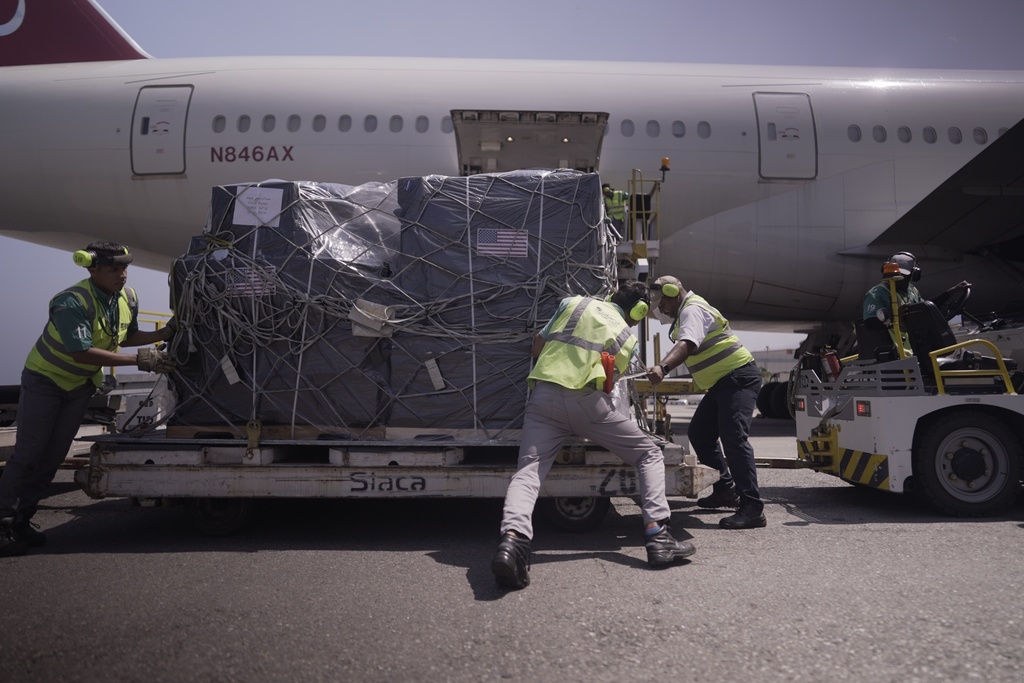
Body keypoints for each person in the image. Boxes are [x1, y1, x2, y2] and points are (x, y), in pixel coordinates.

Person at [492, 281, 695, 590]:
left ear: (612, 297)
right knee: (648, 454)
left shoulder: (573, 303)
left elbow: (537, 346)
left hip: (543, 399)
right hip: (587, 404)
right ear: (638, 313)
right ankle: (659, 536)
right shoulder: (627, 337)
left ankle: (513, 542)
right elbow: (609, 386)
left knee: (529, 472)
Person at [0, 241, 175, 557]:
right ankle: (1, 525)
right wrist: (140, 360)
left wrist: (161, 335)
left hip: (79, 386)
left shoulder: (126, 297)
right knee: (28, 455)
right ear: (92, 268)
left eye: (124, 268)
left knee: (52, 457)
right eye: (114, 269)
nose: (122, 275)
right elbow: (80, 352)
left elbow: (126, 335)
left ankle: (21, 519)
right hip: (46, 381)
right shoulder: (71, 302)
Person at [644, 275, 766, 529]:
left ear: (673, 292)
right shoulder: (687, 311)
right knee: (700, 434)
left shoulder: (692, 310)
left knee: (734, 439)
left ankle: (753, 508)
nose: (661, 310)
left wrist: (663, 367)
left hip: (738, 377)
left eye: (662, 304)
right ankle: (726, 490)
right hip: (724, 382)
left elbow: (687, 344)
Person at [862, 251, 970, 353]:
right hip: (897, 352)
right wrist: (894, 317)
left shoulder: (911, 290)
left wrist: (951, 292)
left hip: (917, 346)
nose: (899, 277)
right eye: (897, 273)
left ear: (914, 275)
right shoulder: (878, 293)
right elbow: (870, 324)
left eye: (904, 274)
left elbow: (926, 308)